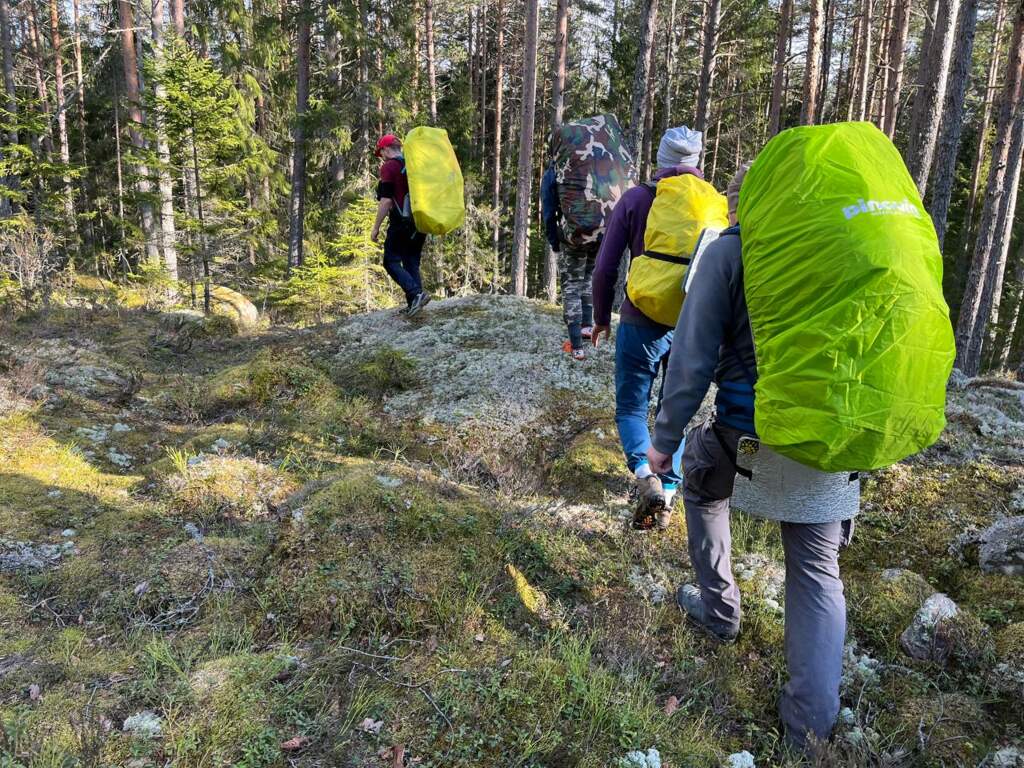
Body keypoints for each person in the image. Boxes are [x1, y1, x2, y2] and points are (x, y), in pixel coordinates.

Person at [645, 163, 852, 752]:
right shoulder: (835, 248)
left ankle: (719, 612)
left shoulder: (730, 252)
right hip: (830, 436)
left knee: (702, 486)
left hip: (748, 431)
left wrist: (664, 440)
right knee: (816, 570)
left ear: (737, 207)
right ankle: (810, 729)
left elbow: (690, 359)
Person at [590, 126, 706, 528]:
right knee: (674, 410)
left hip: (641, 317)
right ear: (696, 163)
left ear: (660, 160)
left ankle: (645, 476)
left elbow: (605, 268)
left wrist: (601, 318)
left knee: (631, 407)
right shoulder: (710, 204)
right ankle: (670, 493)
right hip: (691, 323)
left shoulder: (637, 199)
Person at [371, 134, 431, 317]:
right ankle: (415, 302)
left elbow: (387, 201)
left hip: (401, 223)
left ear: (385, 149)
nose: (381, 157)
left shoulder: (389, 167)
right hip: (420, 222)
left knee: (390, 261)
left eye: (380, 153)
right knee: (411, 261)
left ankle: (416, 295)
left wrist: (375, 227)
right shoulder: (413, 164)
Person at [541, 163, 596, 361]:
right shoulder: (592, 163)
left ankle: (576, 347)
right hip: (599, 233)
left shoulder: (555, 169)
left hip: (572, 235)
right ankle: (587, 327)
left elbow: (548, 210)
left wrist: (555, 242)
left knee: (572, 286)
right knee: (587, 277)